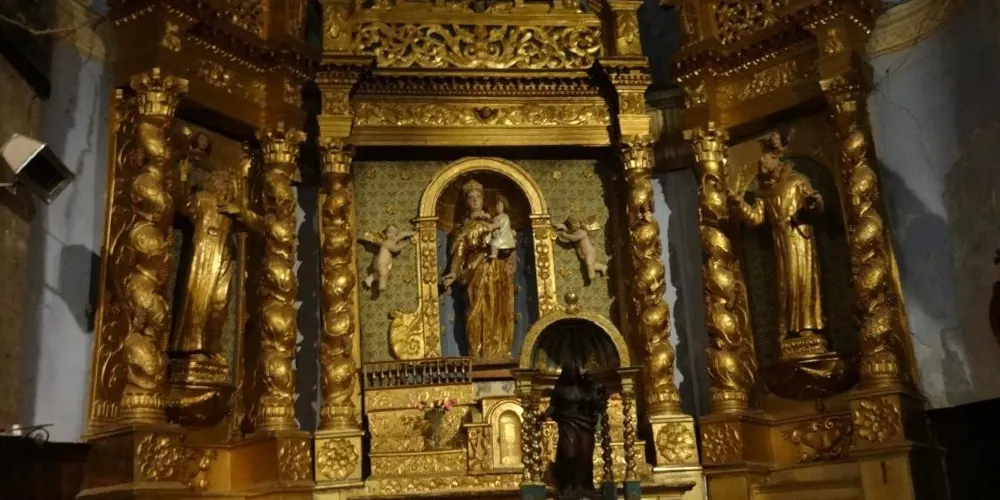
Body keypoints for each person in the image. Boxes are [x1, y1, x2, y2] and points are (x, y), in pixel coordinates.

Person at [545, 363, 606, 498]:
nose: (573, 374)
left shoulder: (585, 388)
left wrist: (598, 393)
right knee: (570, 454)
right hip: (568, 425)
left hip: (585, 425)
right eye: (570, 371)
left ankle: (584, 487)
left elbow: (595, 404)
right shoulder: (559, 390)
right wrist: (543, 415)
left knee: (585, 456)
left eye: (575, 371)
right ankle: (568, 486)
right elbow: (553, 408)